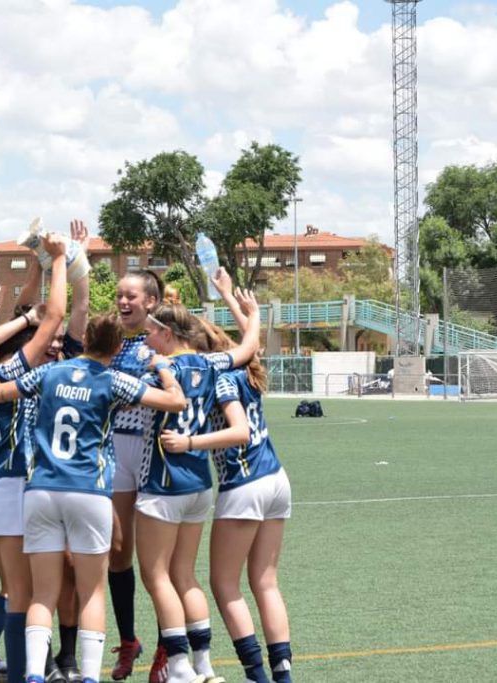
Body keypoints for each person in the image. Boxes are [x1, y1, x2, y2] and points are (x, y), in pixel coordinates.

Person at [0, 313, 187, 683]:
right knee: (92, 591)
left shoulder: (50, 372)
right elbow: (175, 402)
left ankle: (33, 674)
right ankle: (89, 676)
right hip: (88, 491)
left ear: (86, 338)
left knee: (43, 594)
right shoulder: (115, 380)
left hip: (41, 489)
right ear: (119, 346)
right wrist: (165, 369)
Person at [0, 232, 71, 683]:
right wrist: (60, 261)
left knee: (11, 588)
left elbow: (10, 323)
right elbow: (54, 315)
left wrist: (37, 265)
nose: (51, 340)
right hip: (7, 485)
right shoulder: (14, 370)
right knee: (19, 591)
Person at [136, 297, 261, 683]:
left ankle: (178, 666)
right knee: (184, 576)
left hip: (162, 481)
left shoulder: (160, 370)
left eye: (151, 332)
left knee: (156, 576)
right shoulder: (210, 362)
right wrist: (253, 317)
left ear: (167, 333)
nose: (147, 339)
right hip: (198, 482)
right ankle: (204, 665)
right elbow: (247, 349)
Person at [193, 269, 294, 683]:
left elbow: (238, 430)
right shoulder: (245, 367)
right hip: (277, 480)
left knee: (223, 584)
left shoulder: (217, 376)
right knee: (265, 583)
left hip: (245, 483)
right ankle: (282, 672)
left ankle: (256, 674)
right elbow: (249, 343)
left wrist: (191, 444)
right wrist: (233, 301)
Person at [107, 270, 164, 681]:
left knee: (155, 563)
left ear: (151, 301)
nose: (123, 302)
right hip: (115, 452)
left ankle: (169, 643)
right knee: (116, 550)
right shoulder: (111, 341)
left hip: (153, 451)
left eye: (131, 296)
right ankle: (129, 641)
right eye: (119, 296)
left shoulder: (165, 341)